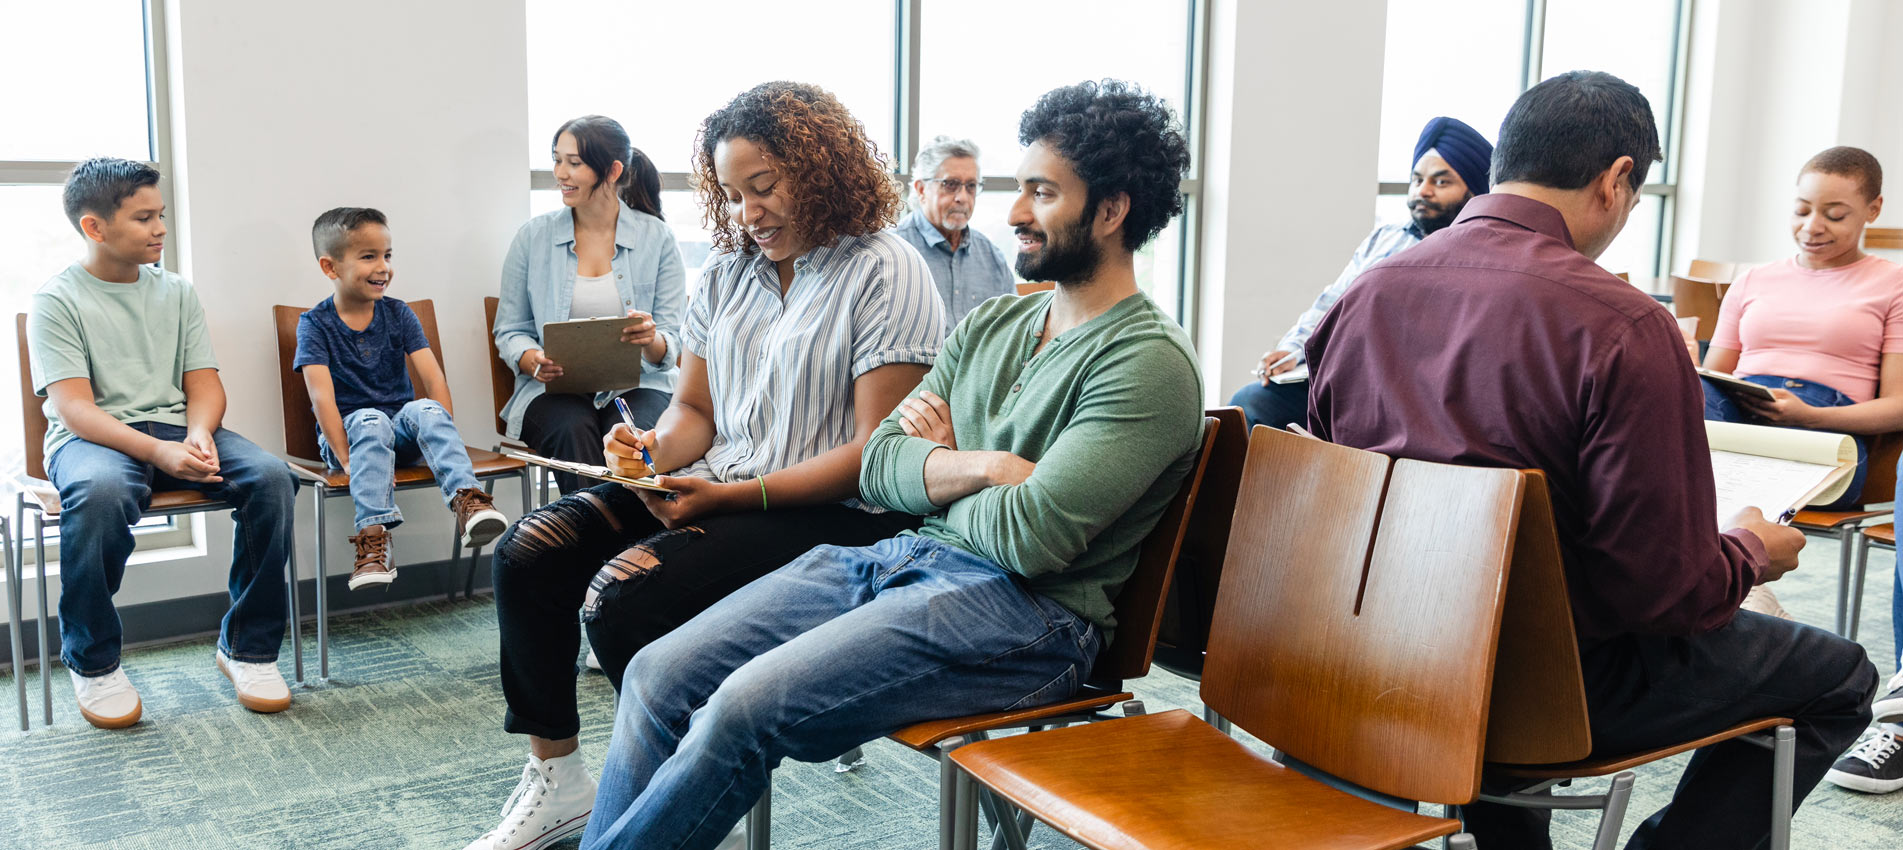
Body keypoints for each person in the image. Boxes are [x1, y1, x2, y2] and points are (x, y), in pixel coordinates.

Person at [576, 79, 1202, 850]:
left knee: (742, 708)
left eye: (1041, 193)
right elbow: (879, 464)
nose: (1011, 212)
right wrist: (978, 466)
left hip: (1029, 616)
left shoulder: (1146, 363)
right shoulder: (994, 323)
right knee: (656, 674)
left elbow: (1033, 538)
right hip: (905, 556)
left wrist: (932, 470)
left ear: (1111, 211)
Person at [1306, 71, 1877, 849]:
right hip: (1546, 691)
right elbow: (1662, 596)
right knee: (1839, 677)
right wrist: (1749, 551)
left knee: (1536, 612)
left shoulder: (1363, 295)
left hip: (1373, 660)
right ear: (1615, 180)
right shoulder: (1621, 325)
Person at [463, 82, 943, 850]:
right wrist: (647, 453)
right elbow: (694, 412)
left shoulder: (885, 268)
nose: (748, 212)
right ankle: (559, 782)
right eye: (732, 193)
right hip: (726, 484)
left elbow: (874, 456)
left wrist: (725, 498)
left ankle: (683, 798)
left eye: (765, 187)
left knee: (623, 600)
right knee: (529, 551)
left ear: (821, 170)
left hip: (840, 514)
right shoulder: (725, 273)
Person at [26, 158, 299, 728]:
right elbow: (75, 409)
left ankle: (247, 649)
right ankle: (93, 661)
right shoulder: (56, 301)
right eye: (144, 218)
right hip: (91, 439)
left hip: (177, 428)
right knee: (101, 494)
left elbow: (204, 384)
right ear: (95, 227)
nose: (161, 229)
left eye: (162, 215)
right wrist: (156, 452)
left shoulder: (175, 291)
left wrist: (198, 433)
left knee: (272, 479)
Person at [294, 207, 511, 590]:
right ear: (330, 267)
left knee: (426, 408)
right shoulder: (314, 324)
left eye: (387, 255)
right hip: (348, 439)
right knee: (370, 419)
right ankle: (374, 540)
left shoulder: (399, 314)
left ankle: (468, 500)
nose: (383, 267)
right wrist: (346, 459)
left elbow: (433, 379)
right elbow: (321, 398)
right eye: (368, 256)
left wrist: (440, 430)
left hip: (400, 435)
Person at [1230, 116, 1491, 429]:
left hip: (1409, 396)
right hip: (1344, 379)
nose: (1423, 191)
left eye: (1441, 182)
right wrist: (1291, 349)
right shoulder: (1386, 238)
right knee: (1250, 404)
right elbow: (1332, 302)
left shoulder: (1478, 258)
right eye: (1417, 180)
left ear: (1474, 193)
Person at [495, 115, 685, 494]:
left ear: (613, 171)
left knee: (631, 438)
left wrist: (650, 339)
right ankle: (601, 531)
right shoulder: (532, 238)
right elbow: (510, 329)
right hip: (553, 392)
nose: (560, 173)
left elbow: (671, 341)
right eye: (557, 159)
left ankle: (598, 529)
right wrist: (532, 359)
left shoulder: (658, 239)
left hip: (641, 385)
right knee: (572, 429)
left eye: (574, 163)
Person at [890, 135, 1016, 330]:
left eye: (971, 186)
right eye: (950, 184)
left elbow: (1013, 330)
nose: (963, 197)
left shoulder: (992, 257)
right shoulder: (893, 253)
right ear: (921, 190)